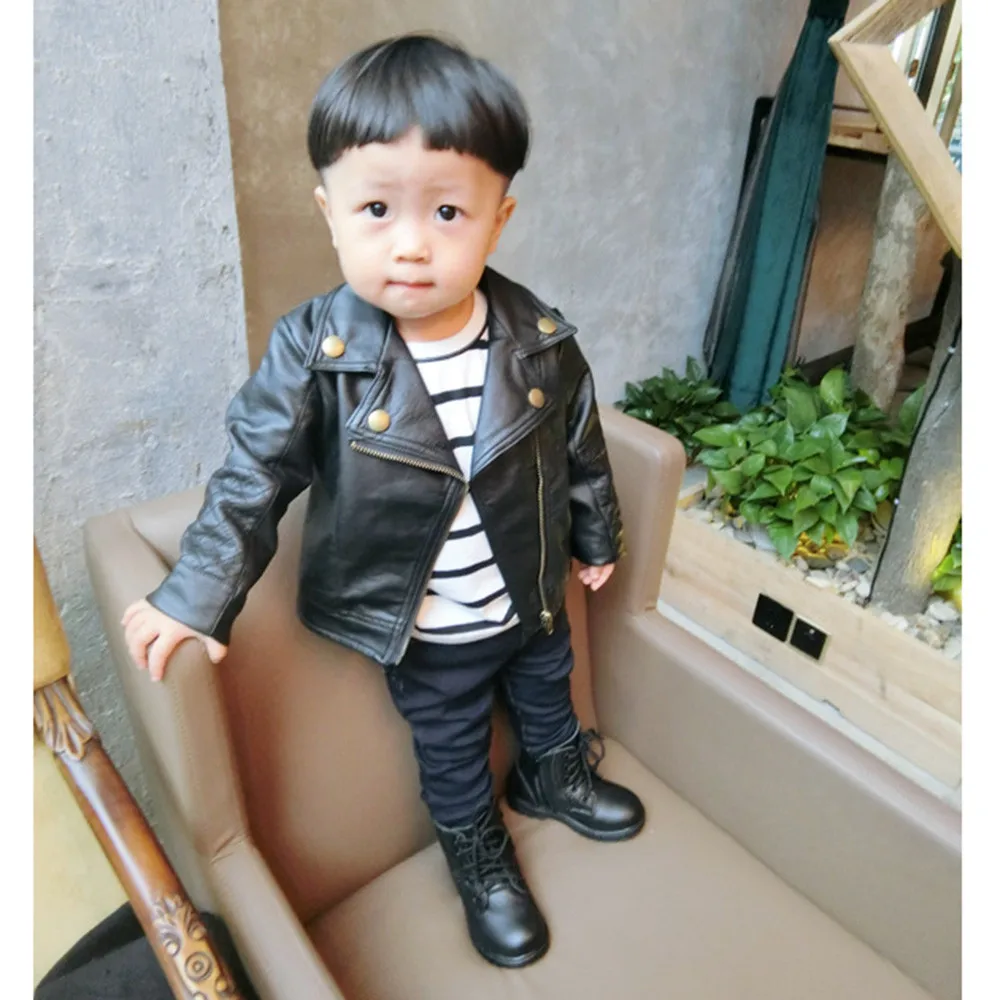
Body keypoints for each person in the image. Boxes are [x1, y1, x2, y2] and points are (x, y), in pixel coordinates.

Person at [121, 33, 644, 969]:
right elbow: (252, 476)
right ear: (331, 213)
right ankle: (481, 860)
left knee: (548, 690)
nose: (410, 244)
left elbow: (579, 443)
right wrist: (196, 594)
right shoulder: (314, 352)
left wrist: (596, 534)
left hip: (529, 595)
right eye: (376, 209)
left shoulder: (537, 335)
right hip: (428, 626)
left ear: (498, 219)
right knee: (450, 749)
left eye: (447, 211)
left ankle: (554, 776)